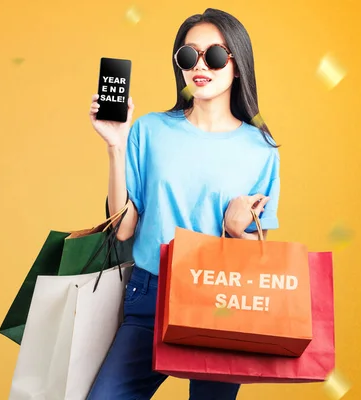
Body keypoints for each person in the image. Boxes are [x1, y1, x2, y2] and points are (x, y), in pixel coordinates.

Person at [86, 8, 280, 400]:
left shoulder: (261, 148)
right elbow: (123, 228)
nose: (200, 66)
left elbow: (256, 259)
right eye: (189, 55)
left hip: (221, 302)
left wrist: (235, 230)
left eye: (215, 55)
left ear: (237, 65)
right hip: (151, 295)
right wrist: (115, 146)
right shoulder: (150, 129)